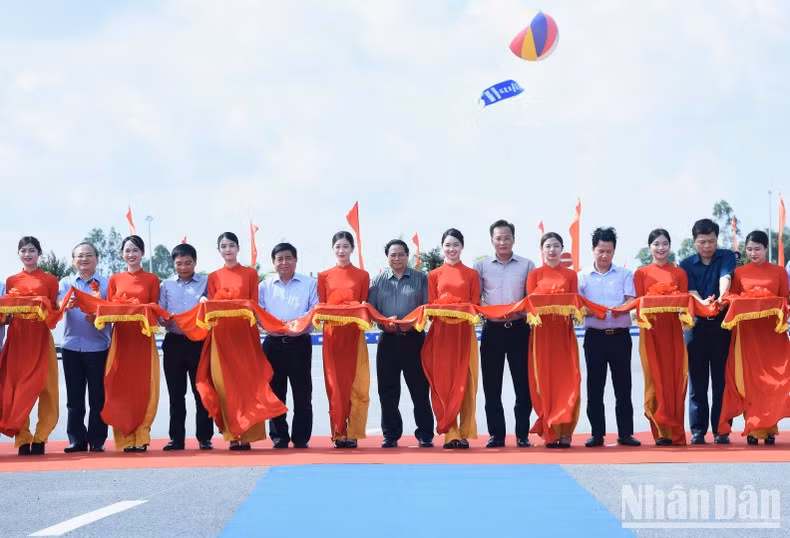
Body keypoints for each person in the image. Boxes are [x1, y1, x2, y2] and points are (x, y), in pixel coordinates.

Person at [204, 232, 286, 450]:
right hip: (221, 337)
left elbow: (254, 305)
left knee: (248, 385)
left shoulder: (250, 274)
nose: (228, 249)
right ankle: (232, 434)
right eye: (223, 246)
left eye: (231, 245)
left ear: (238, 248)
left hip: (244, 336)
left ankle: (248, 435)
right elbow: (212, 308)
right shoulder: (213, 277)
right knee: (226, 386)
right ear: (219, 250)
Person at [719, 230, 790, 445]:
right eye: (749, 249)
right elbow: (733, 297)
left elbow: (785, 298)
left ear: (766, 248)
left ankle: (769, 427)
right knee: (751, 381)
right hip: (747, 335)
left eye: (757, 249)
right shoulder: (739, 272)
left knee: (774, 381)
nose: (753, 253)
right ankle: (753, 427)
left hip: (773, 334)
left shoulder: (778, 272)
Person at [473, 219, 534, 448]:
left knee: (523, 385)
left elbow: (531, 299)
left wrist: (519, 313)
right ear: (492, 240)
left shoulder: (527, 265)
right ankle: (496, 435)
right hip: (493, 331)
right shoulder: (481, 267)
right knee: (491, 385)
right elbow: (475, 299)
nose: (502, 242)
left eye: (506, 238)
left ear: (513, 239)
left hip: (519, 330)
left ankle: (522, 434)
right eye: (498, 238)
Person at [368, 239, 433, 448]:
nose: (397, 258)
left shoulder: (421, 279)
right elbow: (371, 311)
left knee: (420, 389)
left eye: (401, 254)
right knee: (388, 391)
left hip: (414, 340)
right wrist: (384, 322)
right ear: (387, 257)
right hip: (388, 341)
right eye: (392, 254)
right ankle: (391, 434)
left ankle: (425, 434)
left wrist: (413, 323)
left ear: (408, 256)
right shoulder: (378, 281)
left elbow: (426, 308)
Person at [578, 227, 639, 448]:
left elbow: (631, 300)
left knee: (623, 386)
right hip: (595, 337)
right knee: (595, 387)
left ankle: (626, 433)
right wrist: (595, 311)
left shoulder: (625, 274)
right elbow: (579, 306)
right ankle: (597, 433)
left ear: (614, 251)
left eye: (609, 251)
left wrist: (618, 309)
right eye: (601, 251)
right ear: (593, 249)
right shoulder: (582, 277)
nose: (604, 256)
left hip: (620, 336)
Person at [0, 237, 59, 455]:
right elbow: (6, 312)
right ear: (18, 254)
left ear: (39, 253)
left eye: (32, 250)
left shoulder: (50, 280)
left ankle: (41, 436)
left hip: (41, 337)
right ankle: (22, 437)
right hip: (17, 339)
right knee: (17, 388)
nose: (27, 254)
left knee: (48, 388)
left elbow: (53, 310)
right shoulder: (11, 280)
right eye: (23, 250)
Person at [679, 218, 736, 444]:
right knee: (698, 380)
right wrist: (702, 303)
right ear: (694, 242)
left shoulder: (727, 256)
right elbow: (690, 290)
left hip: (722, 324)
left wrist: (722, 297)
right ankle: (698, 430)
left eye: (711, 241)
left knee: (722, 379)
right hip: (696, 326)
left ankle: (721, 429)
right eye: (702, 242)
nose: (707, 246)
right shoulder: (686, 264)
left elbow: (726, 277)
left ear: (716, 240)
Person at [422, 228, 480, 449]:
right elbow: (431, 305)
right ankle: (450, 432)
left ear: (462, 247)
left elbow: (475, 305)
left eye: (455, 244)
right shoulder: (434, 275)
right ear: (442, 247)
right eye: (447, 245)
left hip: (464, 333)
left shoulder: (471, 274)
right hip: (442, 334)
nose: (451, 248)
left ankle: (464, 432)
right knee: (444, 382)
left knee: (466, 382)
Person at [104, 235, 161, 452]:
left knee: (144, 386)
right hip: (121, 340)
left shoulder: (152, 279)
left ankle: (142, 435)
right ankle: (124, 438)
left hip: (143, 339)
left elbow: (155, 308)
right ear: (121, 254)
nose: (131, 254)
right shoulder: (115, 279)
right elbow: (109, 310)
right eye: (127, 250)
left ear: (142, 253)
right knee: (120, 387)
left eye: (135, 250)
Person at [259, 242, 318, 449]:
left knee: (302, 392)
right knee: (275, 392)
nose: (284, 262)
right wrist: (275, 325)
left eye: (288, 258)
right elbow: (259, 313)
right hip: (273, 344)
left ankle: (301, 437)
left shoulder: (309, 283)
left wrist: (295, 325)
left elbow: (314, 311)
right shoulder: (265, 285)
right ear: (273, 262)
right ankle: (279, 436)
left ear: (295, 260)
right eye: (279, 259)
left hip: (299, 343)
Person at [633, 229, 689, 446]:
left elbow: (684, 304)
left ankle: (675, 430)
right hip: (651, 333)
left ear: (670, 246)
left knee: (674, 379)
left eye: (665, 243)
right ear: (650, 247)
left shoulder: (679, 273)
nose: (661, 248)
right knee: (654, 380)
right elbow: (639, 303)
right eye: (656, 244)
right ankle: (659, 431)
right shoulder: (641, 273)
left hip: (673, 333)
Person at [317, 231, 371, 449]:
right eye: (338, 247)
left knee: (357, 384)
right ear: (333, 249)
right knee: (335, 386)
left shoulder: (362, 275)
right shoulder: (324, 276)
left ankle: (354, 431)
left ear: (352, 249)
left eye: (346, 246)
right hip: (332, 337)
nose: (341, 251)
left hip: (354, 336)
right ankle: (338, 432)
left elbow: (364, 305)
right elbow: (321, 307)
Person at [526, 233, 580, 448]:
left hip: (564, 335)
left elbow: (576, 303)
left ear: (562, 249)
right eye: (548, 246)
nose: (552, 250)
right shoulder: (534, 275)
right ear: (541, 249)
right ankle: (550, 430)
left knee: (569, 380)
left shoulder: (570, 275)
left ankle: (566, 431)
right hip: (541, 336)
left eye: (556, 246)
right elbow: (529, 305)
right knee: (544, 382)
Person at [159, 243, 213, 451]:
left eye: (188, 263)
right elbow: (160, 312)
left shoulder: (206, 283)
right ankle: (176, 439)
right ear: (173, 264)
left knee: (202, 391)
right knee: (176, 394)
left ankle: (205, 438)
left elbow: (212, 306)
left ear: (195, 262)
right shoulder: (166, 285)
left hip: (198, 343)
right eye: (179, 263)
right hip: (173, 342)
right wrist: (163, 320)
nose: (184, 267)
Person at [58, 242, 112, 453]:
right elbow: (58, 303)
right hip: (71, 347)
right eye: (80, 256)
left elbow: (113, 311)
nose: (84, 259)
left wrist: (100, 314)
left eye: (89, 255)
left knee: (98, 397)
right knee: (74, 397)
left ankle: (97, 440)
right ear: (73, 260)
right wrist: (65, 302)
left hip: (98, 347)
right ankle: (76, 440)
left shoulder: (107, 284)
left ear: (97, 259)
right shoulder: (65, 282)